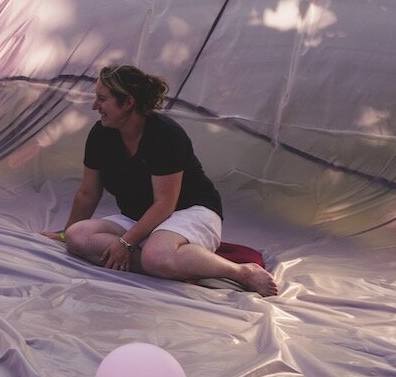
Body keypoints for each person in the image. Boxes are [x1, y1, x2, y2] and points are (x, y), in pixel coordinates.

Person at [50, 64, 276, 295]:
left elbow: (165, 205)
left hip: (189, 212)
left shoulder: (164, 135)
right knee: (77, 236)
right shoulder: (101, 135)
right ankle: (174, 267)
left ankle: (241, 272)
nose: (95, 106)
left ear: (128, 102)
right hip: (139, 217)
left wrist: (125, 243)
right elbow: (88, 193)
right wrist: (63, 234)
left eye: (102, 99)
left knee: (155, 255)